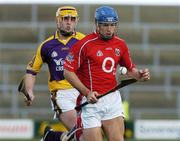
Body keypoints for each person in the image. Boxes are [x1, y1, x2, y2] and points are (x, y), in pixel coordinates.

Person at [63, 6, 150, 141]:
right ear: (97, 24)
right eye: (105, 25)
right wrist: (87, 92)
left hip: (112, 99)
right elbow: (68, 72)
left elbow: (130, 69)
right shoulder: (84, 44)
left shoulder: (120, 44)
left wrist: (140, 75)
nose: (109, 29)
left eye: (112, 25)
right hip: (91, 102)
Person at [22, 6, 85, 141]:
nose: (69, 22)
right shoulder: (46, 46)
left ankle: (51, 137)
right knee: (82, 135)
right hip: (61, 95)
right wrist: (29, 91)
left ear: (77, 21)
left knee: (86, 135)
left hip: (82, 91)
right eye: (65, 19)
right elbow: (31, 71)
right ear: (58, 21)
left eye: (72, 19)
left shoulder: (84, 42)